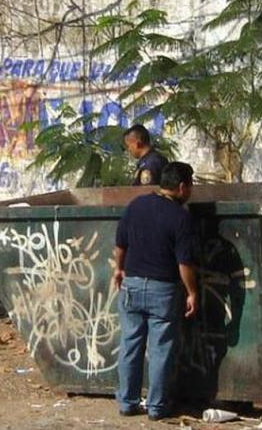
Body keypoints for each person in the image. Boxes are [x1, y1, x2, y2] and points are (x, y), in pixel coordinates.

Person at [112, 162, 198, 421]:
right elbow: (184, 263)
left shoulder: (136, 206)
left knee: (130, 345)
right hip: (163, 290)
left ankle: (127, 403)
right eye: (191, 186)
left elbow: (120, 244)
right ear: (182, 187)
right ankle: (157, 407)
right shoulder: (181, 217)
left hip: (132, 285)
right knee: (161, 349)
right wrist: (192, 292)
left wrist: (119, 269)